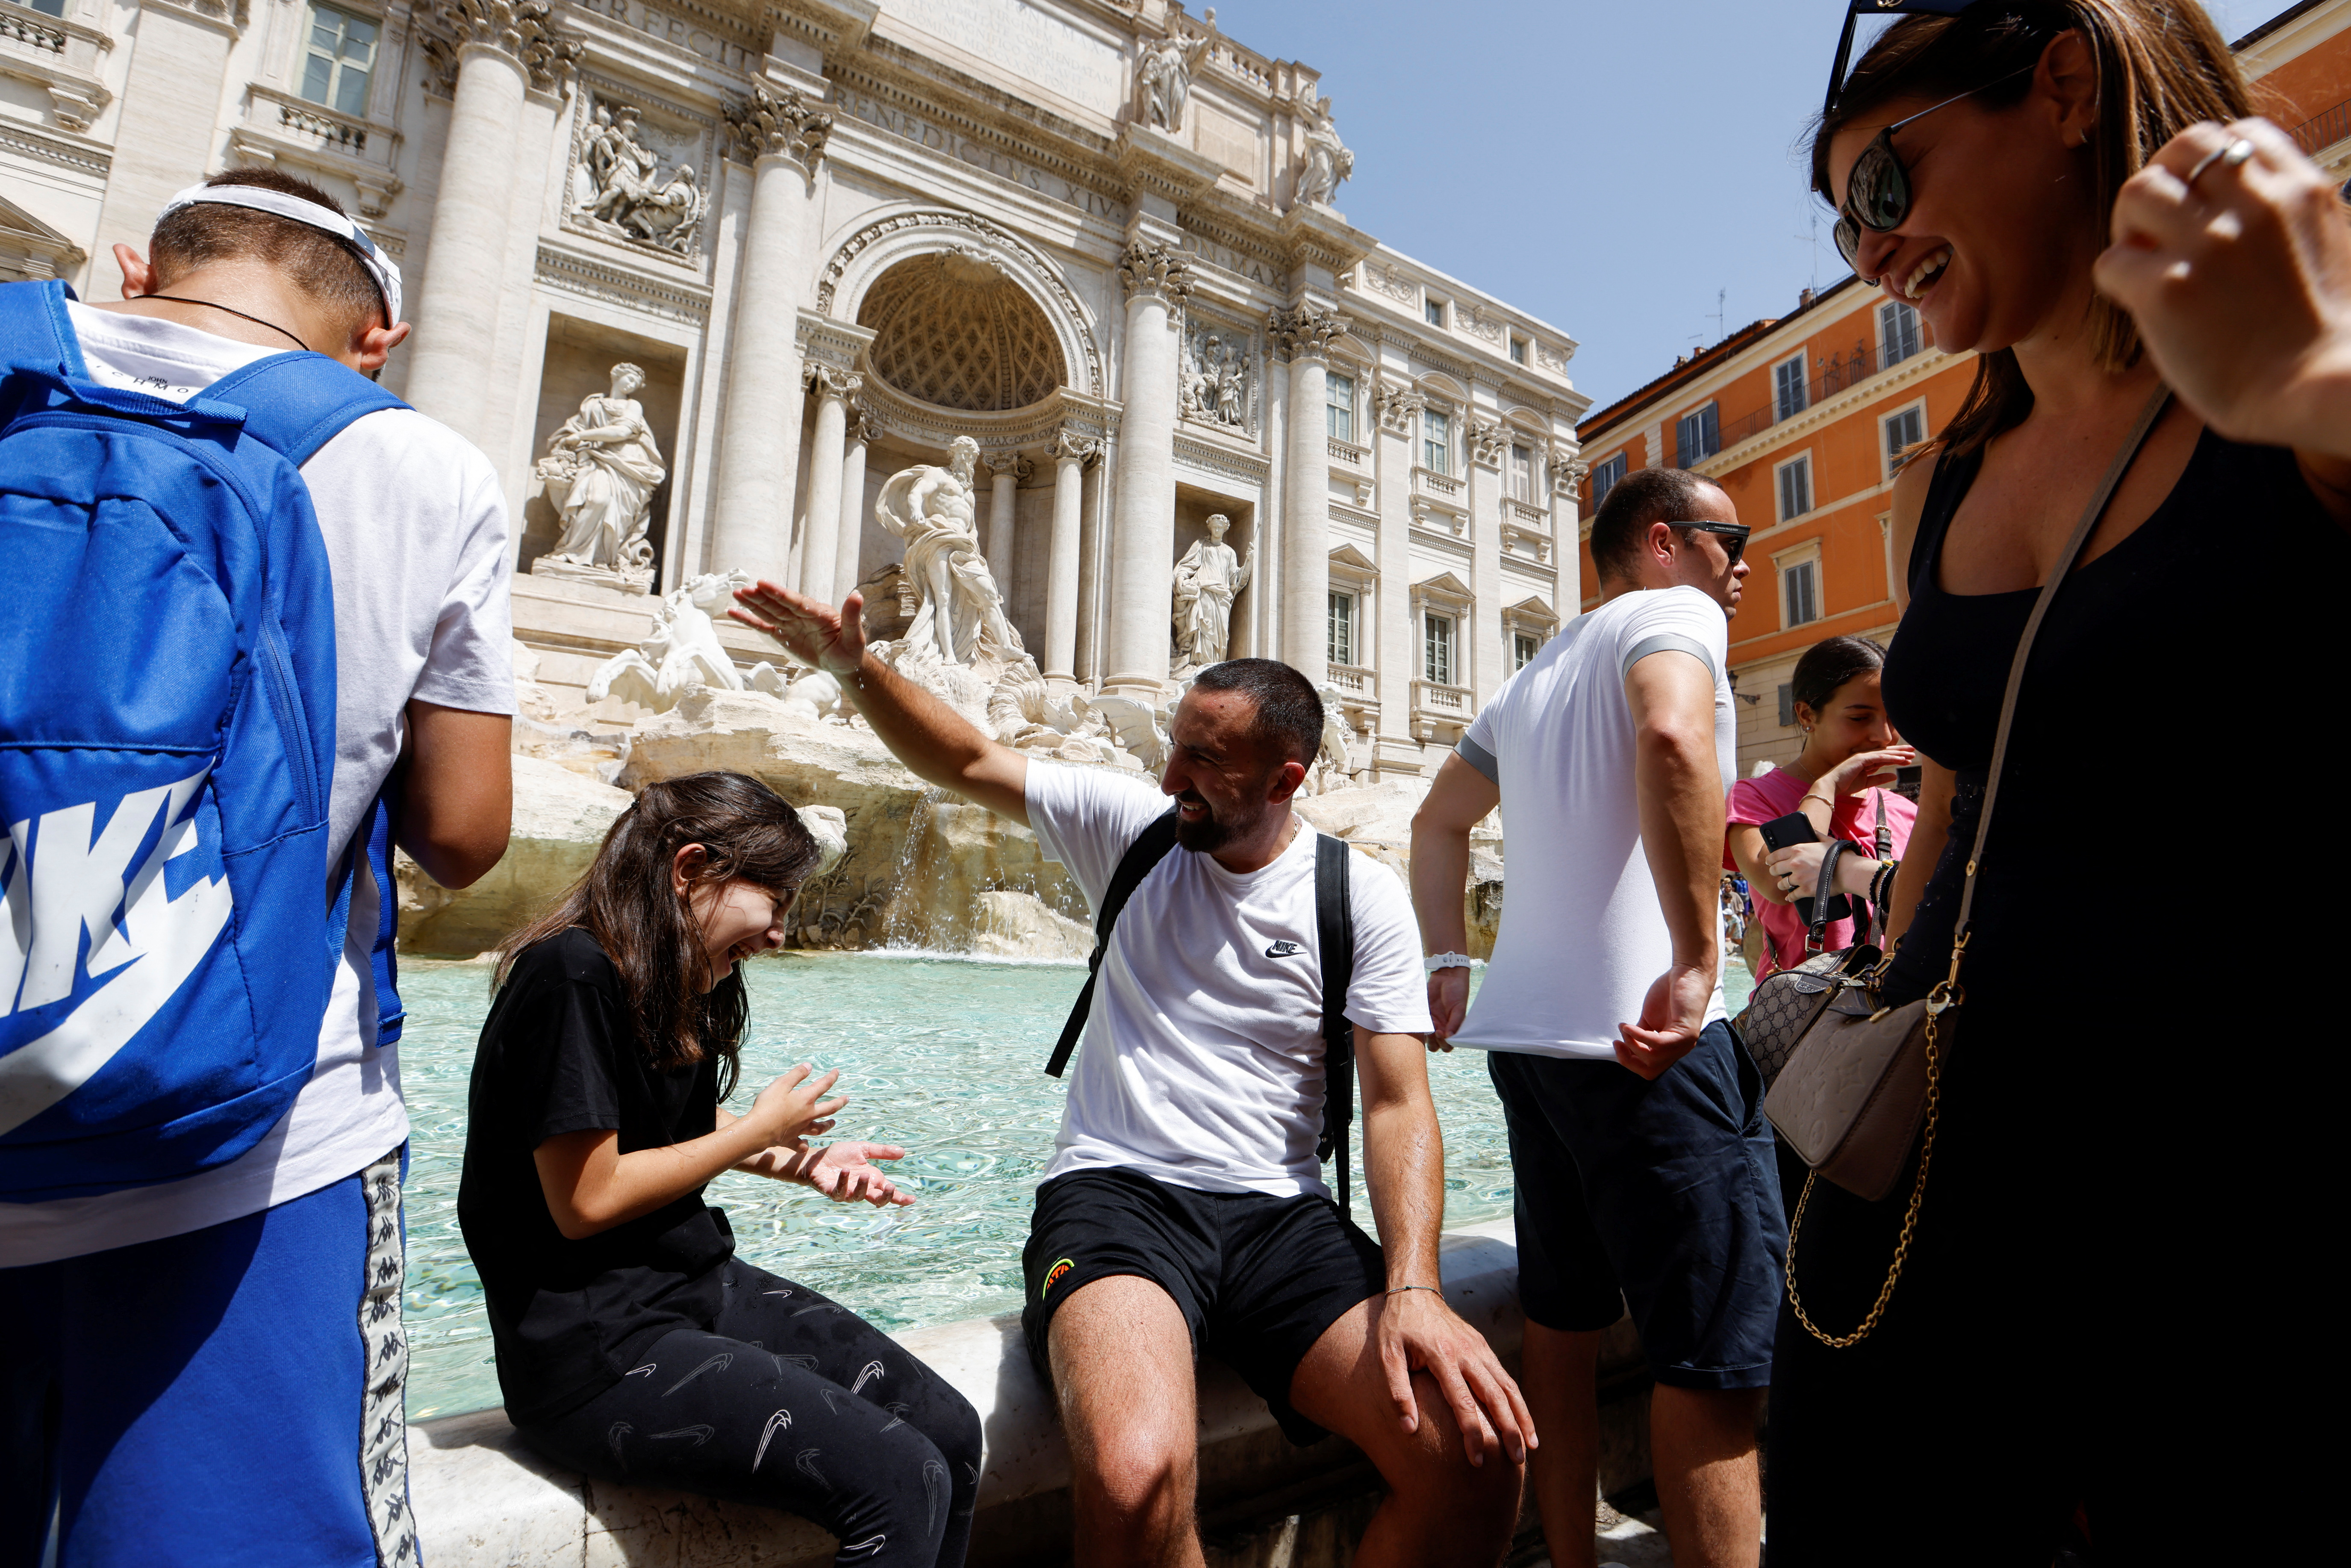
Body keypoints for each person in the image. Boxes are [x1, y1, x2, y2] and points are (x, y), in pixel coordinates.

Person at [1775, 3, 2351, 1561]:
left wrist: (2313, 373)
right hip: (1945, 1156)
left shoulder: (2304, 346)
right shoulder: (1935, 479)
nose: (1868, 252)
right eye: (1840, 224)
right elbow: (1957, 796)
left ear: (2065, 84)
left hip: (2232, 1169)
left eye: (1883, 185)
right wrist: (1884, 993)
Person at [733, 574, 1532, 1568]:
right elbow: (968, 757)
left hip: (1282, 1218)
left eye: (1204, 760)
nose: (1168, 777)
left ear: (1283, 780)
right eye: (1174, 745)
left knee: (1474, 1456)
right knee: (1132, 1479)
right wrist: (856, 668)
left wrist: (1413, 1284)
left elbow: (1398, 1104)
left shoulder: (1354, 894)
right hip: (1117, 1198)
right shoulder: (1131, 832)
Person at [0, 169, 515, 1566]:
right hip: (247, 1149)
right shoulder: (421, 468)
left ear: (136, 266)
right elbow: (464, 833)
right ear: (376, 338)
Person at [460, 772, 981, 1567]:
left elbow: (676, 1120)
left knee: (950, 1431)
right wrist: (762, 1129)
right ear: (691, 869)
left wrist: (801, 1160)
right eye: (775, 899)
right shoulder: (570, 975)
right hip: (593, 1349)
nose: (779, 934)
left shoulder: (668, 973)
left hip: (688, 1288)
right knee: (902, 1480)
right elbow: (586, 1199)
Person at [1410, 466, 1780, 1568]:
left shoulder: (1532, 676)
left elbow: (1436, 821)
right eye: (1730, 541)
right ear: (1663, 542)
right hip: (1646, 1048)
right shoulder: (1679, 615)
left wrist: (1445, 960)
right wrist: (1696, 956)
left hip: (1531, 1050)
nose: (1743, 564)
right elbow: (1671, 737)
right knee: (1715, 1361)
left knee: (1561, 1331)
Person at [1723, 635, 1917, 980]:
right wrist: (1825, 789)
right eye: (1860, 718)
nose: (1885, 737)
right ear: (1807, 714)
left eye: (1893, 717)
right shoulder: (1755, 797)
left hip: (1893, 1003)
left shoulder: (1905, 811)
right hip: (1803, 1007)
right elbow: (1781, 882)